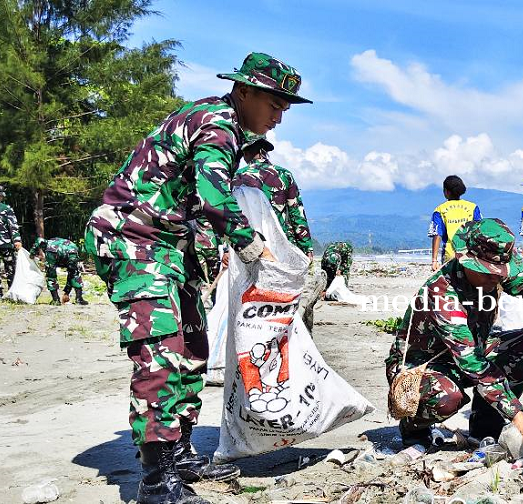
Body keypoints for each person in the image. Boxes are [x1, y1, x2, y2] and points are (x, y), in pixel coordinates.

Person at [84, 52, 310, 504]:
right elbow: (212, 196)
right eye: (274, 104)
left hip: (168, 247)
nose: (278, 117)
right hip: (134, 241)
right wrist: (252, 245)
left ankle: (180, 452)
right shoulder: (217, 124)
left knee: (192, 348)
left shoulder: (225, 125)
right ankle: (155, 477)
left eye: (285, 108)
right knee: (163, 351)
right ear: (244, 91)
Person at [385, 218, 523, 458]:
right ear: (466, 261)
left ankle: (484, 427)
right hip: (425, 366)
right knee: (447, 397)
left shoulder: (493, 273)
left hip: (473, 349)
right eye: (488, 273)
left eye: (499, 273)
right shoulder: (442, 294)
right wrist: (520, 419)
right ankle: (414, 429)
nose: (496, 279)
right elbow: (473, 365)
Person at [232, 134, 323, 331]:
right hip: (282, 248)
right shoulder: (283, 175)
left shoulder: (237, 178)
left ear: (247, 150)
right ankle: (289, 337)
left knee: (251, 297)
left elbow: (229, 216)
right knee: (284, 298)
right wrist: (306, 247)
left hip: (248, 245)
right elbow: (297, 214)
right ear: (264, 149)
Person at [429, 175, 481, 271]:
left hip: (450, 255)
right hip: (470, 256)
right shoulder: (472, 207)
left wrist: (434, 260)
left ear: (446, 191)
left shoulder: (440, 210)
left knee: (451, 284)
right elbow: (479, 231)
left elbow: (437, 235)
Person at [33, 237, 87, 305]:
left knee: (51, 276)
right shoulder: (56, 241)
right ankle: (79, 299)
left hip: (57, 253)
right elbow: (71, 273)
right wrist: (66, 292)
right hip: (73, 250)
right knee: (74, 273)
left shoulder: (49, 247)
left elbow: (35, 247)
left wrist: (32, 255)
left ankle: (56, 300)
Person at [0, 184, 22, 298]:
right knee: (11, 269)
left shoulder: (6, 209)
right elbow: (13, 226)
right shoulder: (6, 209)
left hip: (5, 244)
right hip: (6, 244)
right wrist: (17, 240)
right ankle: (12, 292)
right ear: (1, 196)